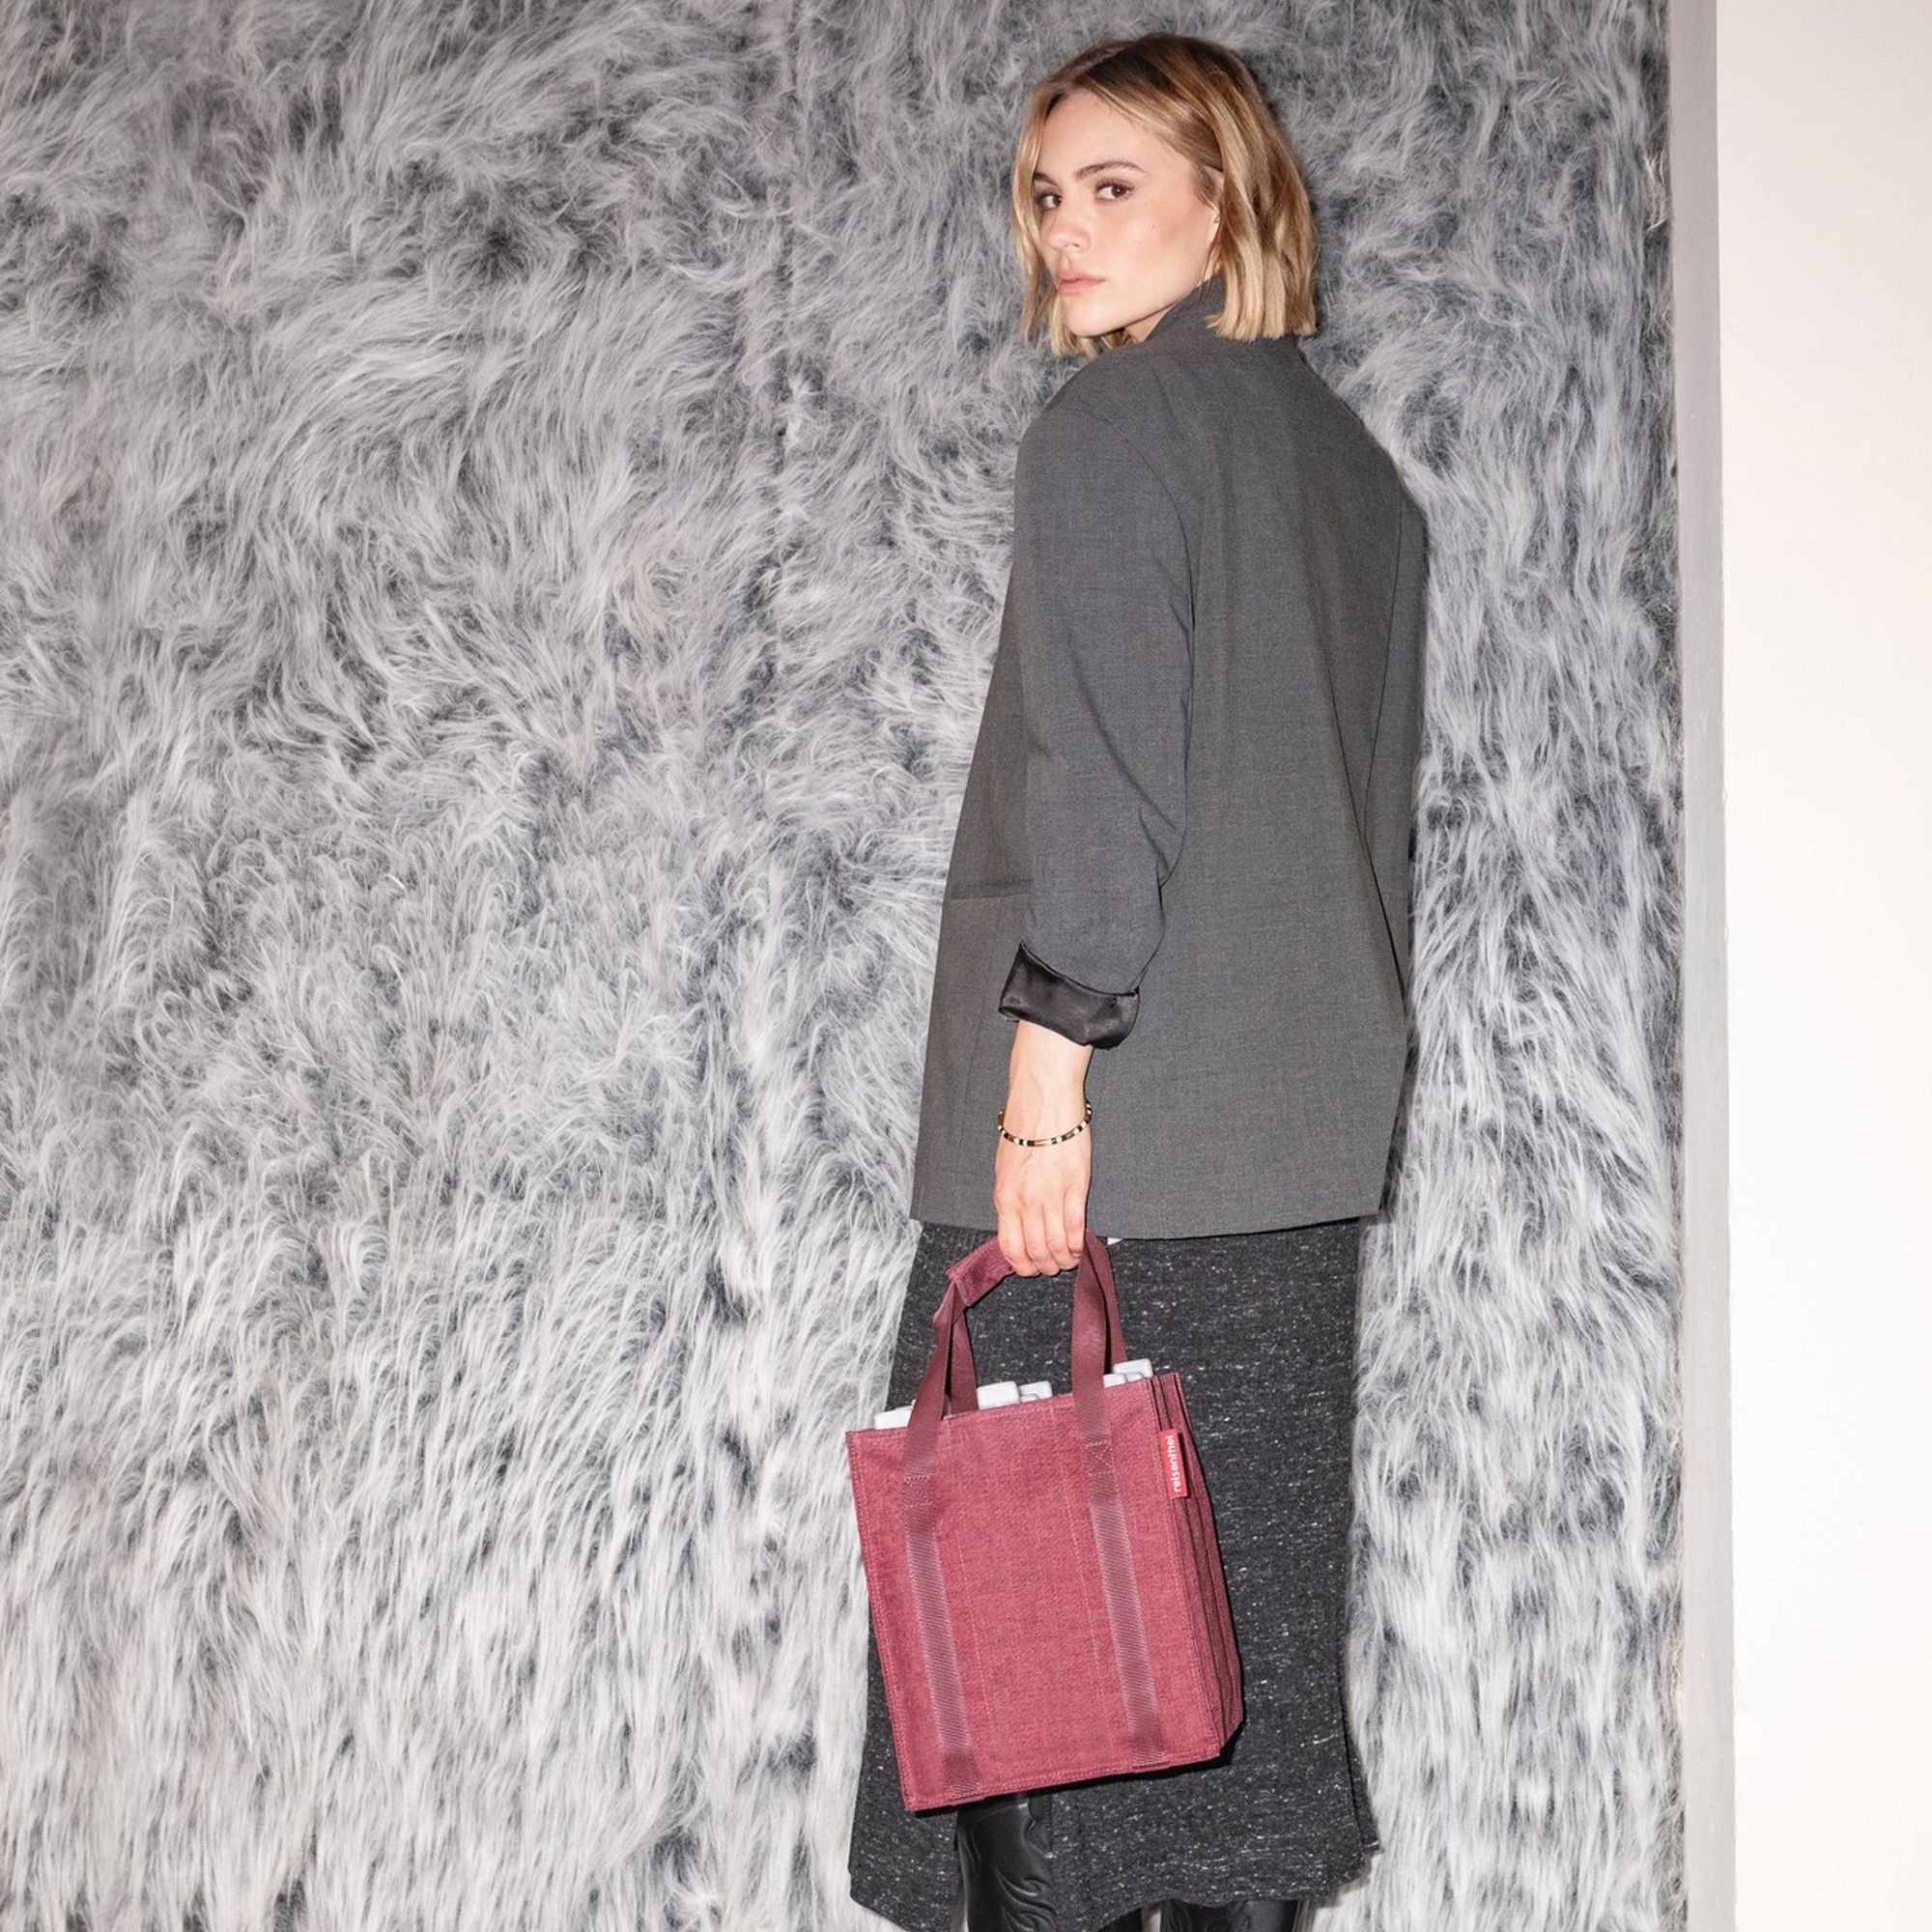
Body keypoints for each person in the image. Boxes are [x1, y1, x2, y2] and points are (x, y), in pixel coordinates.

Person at [845, 31, 1430, 1932]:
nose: (1062, 232)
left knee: (1024, 1668)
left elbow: (1105, 790)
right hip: (1287, 1157)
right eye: (1044, 193)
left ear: (1228, 197)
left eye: (1111, 187)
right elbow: (1369, 836)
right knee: (1227, 1689)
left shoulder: (1109, 434)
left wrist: (1045, 1079)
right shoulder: (1356, 482)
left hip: (1109, 1141)